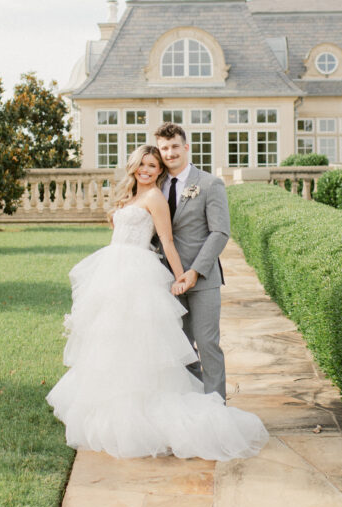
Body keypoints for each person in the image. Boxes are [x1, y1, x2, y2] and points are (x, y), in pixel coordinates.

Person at [46, 144, 268, 460]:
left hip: (138, 273)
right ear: (134, 166)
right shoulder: (130, 196)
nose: (147, 170)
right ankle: (112, 403)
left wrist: (182, 277)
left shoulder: (155, 198)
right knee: (112, 340)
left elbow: (166, 241)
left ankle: (152, 411)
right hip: (114, 271)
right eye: (143, 164)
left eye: (153, 166)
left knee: (143, 342)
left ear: (159, 170)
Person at [153, 122, 229, 400]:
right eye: (164, 148)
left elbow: (220, 232)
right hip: (166, 279)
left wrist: (195, 271)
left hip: (203, 278)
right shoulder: (155, 185)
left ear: (186, 147)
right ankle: (193, 401)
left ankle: (216, 407)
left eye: (174, 146)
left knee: (208, 344)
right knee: (180, 346)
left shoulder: (209, 184)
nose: (170, 153)